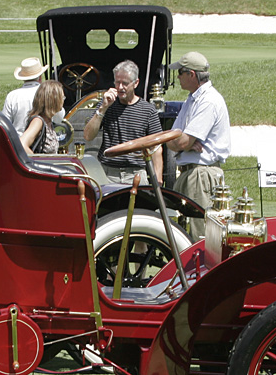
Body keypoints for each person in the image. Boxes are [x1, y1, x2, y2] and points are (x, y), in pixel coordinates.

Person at [165, 51, 230, 240]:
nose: (177, 77)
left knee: (200, 235)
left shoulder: (208, 101)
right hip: (191, 173)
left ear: (191, 74)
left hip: (201, 176)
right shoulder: (193, 99)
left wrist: (181, 142)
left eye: (180, 72)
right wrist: (181, 142)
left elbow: (182, 141)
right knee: (184, 233)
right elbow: (172, 138)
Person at [83, 60, 163, 184]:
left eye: (125, 83)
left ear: (135, 83)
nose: (120, 87)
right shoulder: (106, 106)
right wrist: (102, 108)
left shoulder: (148, 110)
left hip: (136, 174)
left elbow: (156, 147)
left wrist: (157, 178)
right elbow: (88, 136)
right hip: (108, 173)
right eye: (117, 82)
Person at [3, 57, 65, 135]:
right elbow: (59, 118)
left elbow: (5, 123)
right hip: (44, 141)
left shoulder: (12, 96)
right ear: (40, 77)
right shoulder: (48, 93)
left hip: (18, 142)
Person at [21, 80, 64, 155]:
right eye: (62, 98)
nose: (63, 101)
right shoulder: (38, 121)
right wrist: (36, 161)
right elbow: (22, 144)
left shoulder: (49, 121)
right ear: (54, 100)